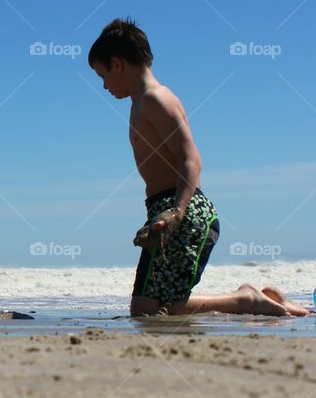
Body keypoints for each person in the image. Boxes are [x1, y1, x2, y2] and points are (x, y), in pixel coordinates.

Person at [88, 18, 310, 316]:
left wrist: (176, 213)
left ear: (117, 64)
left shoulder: (155, 99)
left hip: (183, 210)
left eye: (102, 75)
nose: (104, 85)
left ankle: (248, 301)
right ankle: (248, 299)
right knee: (156, 307)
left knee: (146, 309)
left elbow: (191, 159)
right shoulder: (141, 101)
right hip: (167, 210)